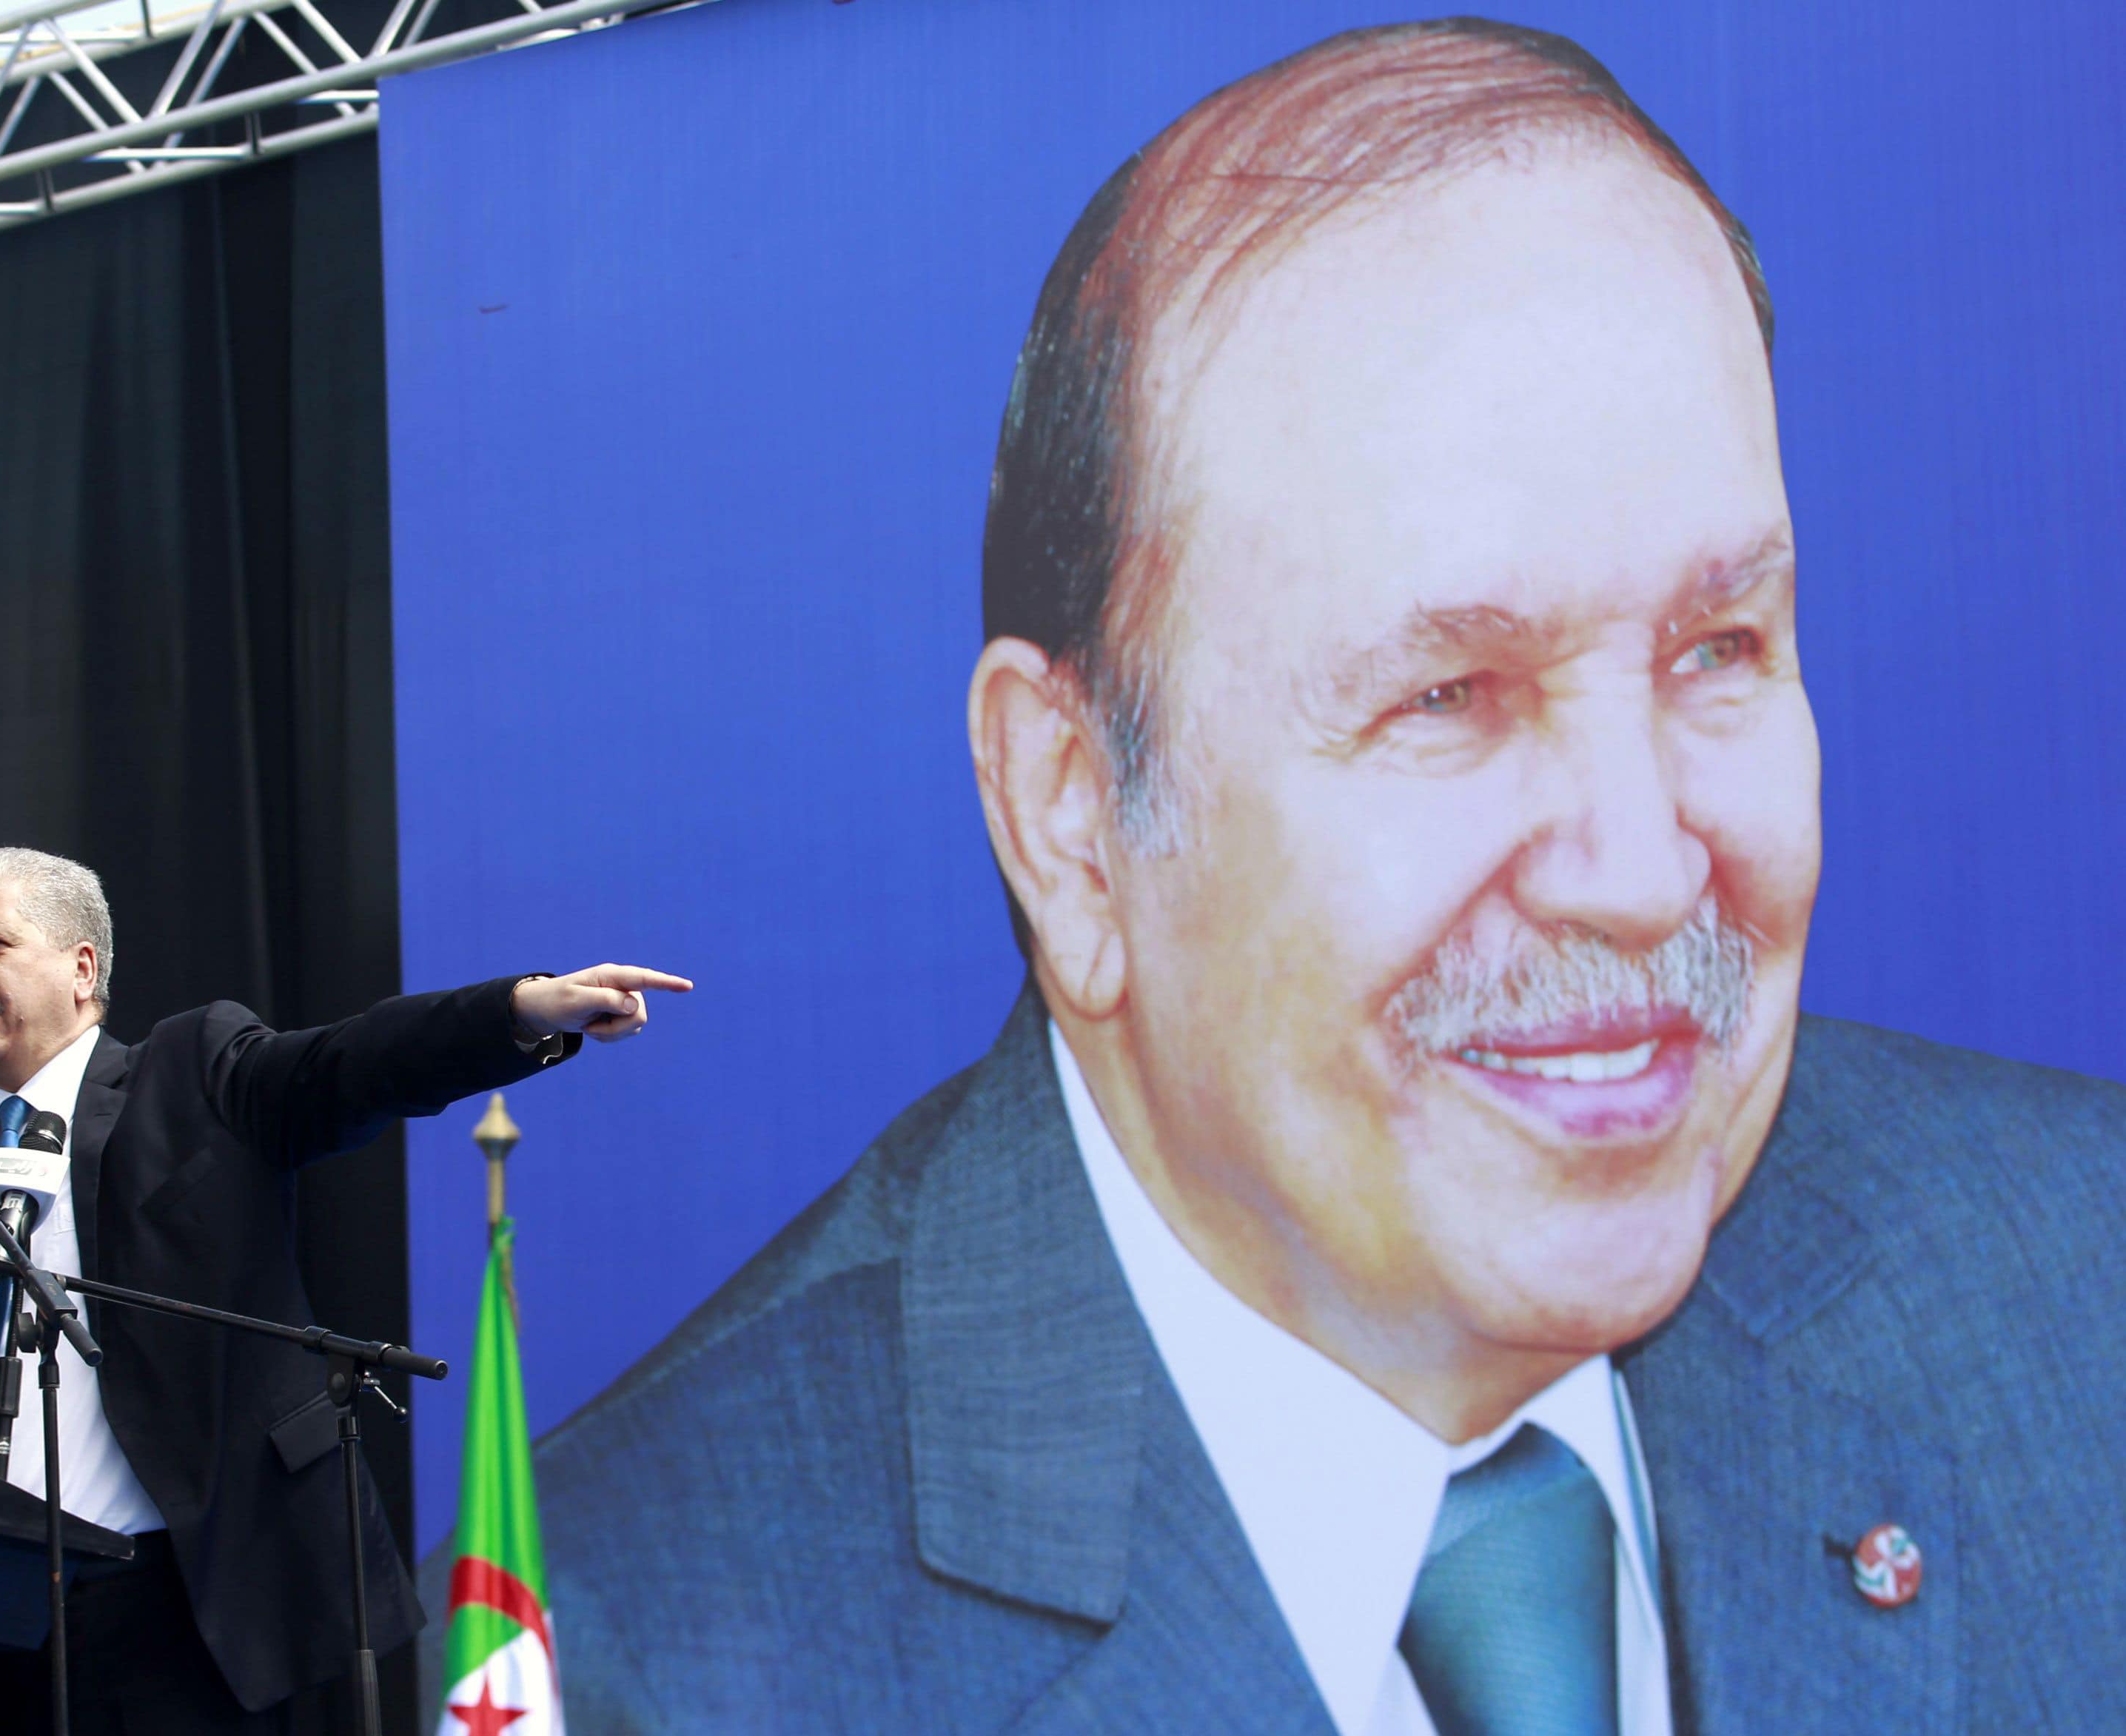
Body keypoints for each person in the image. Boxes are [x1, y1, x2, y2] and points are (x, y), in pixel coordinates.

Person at [419, 18, 2126, 1734]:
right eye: (1447, 696)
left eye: (1717, 650)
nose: (1640, 865)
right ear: (1071, 813)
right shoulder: (622, 1653)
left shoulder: (2085, 1287)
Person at [0, 845, 689, 1734]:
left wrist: (515, 1009)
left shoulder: (184, 1073)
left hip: (170, 1598)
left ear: (81, 967)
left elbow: (348, 1063)